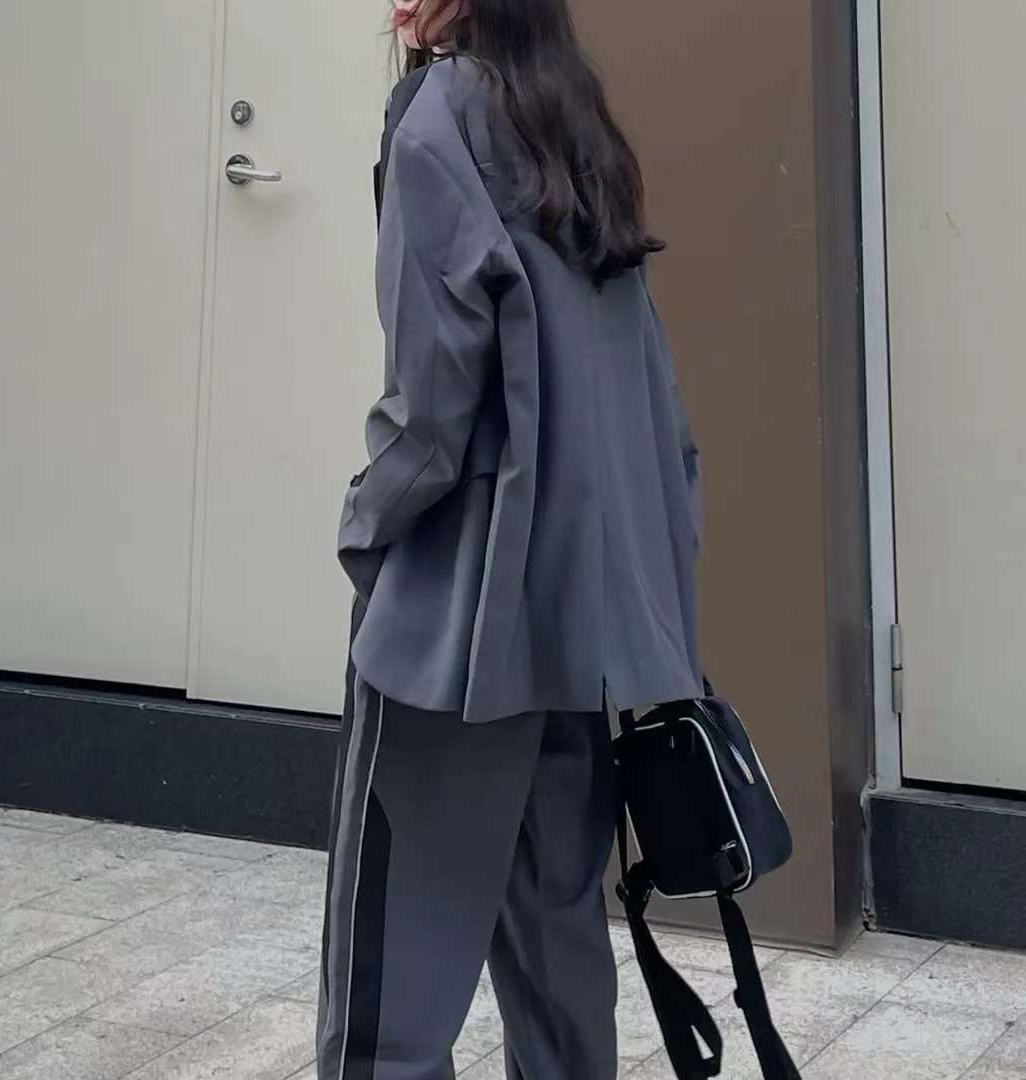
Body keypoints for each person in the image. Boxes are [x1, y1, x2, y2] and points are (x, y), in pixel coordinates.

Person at [316, 1, 703, 1076]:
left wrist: (365, 530)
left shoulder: (436, 119)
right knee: (557, 949)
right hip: (576, 627)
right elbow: (655, 406)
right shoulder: (575, 121)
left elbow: (431, 411)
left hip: (456, 630)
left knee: (389, 982)